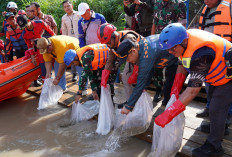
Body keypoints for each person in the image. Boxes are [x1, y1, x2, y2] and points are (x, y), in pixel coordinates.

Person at [155, 23, 232, 157]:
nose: (170, 52)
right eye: (168, 49)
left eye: (172, 49)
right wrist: (176, 88)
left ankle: (215, 146)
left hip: (228, 76)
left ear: (184, 42)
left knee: (216, 108)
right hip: (216, 73)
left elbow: (192, 91)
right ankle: (220, 126)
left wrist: (168, 114)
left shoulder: (201, 54)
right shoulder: (182, 41)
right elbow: (183, 62)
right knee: (213, 102)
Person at [114, 35, 177, 115]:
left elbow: (141, 81)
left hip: (176, 60)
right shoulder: (141, 46)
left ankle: (170, 116)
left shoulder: (146, 55)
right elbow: (149, 71)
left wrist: (128, 106)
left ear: (133, 51)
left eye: (127, 59)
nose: (128, 61)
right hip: (167, 59)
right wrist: (144, 86)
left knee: (170, 91)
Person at [196, 0, 232, 132]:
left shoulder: (229, 5)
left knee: (225, 90)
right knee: (210, 86)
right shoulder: (205, 8)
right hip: (210, 58)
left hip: (227, 59)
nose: (205, 0)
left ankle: (226, 117)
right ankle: (211, 110)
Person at [151, 0, 187, 105]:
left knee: (171, 71)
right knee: (157, 69)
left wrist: (179, 45)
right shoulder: (157, 3)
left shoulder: (179, 4)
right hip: (159, 42)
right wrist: (152, 40)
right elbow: (154, 23)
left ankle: (168, 97)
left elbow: (182, 26)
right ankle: (158, 91)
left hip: (172, 45)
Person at [97, 23, 142, 107]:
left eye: (109, 42)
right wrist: (104, 77)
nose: (108, 45)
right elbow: (109, 62)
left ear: (114, 36)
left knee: (141, 80)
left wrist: (135, 72)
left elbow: (137, 55)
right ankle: (130, 103)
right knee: (125, 78)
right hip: (131, 59)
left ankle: (139, 104)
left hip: (142, 57)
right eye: (106, 44)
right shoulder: (112, 45)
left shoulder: (129, 38)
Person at [16, 15, 55, 86]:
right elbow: (29, 45)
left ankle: (55, 83)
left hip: (49, 46)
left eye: (26, 25)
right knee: (43, 68)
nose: (26, 28)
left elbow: (51, 33)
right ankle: (46, 86)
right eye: (23, 27)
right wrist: (32, 56)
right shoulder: (24, 34)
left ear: (28, 20)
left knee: (54, 65)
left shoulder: (40, 23)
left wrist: (53, 44)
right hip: (39, 50)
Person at [61, 0, 83, 88]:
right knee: (73, 57)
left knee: (81, 56)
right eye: (65, 7)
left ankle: (83, 75)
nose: (67, 8)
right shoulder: (64, 17)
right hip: (70, 40)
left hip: (80, 40)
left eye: (68, 6)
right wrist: (65, 41)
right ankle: (74, 74)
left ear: (72, 6)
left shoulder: (79, 14)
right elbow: (64, 30)